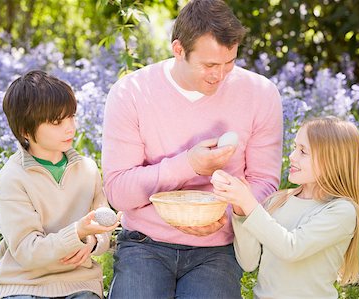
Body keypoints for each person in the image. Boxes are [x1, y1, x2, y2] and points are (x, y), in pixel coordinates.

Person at [101, 0, 283, 297]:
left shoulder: (260, 94)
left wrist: (226, 213)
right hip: (145, 241)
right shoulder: (131, 93)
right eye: (209, 65)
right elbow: (118, 192)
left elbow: (265, 182)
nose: (220, 75)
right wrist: (190, 165)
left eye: (230, 63)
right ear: (178, 50)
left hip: (218, 247)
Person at [0, 70, 120, 299]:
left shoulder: (87, 170)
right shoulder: (12, 178)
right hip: (23, 284)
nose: (70, 127)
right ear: (25, 131)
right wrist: (76, 232)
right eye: (57, 122)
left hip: (79, 283)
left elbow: (103, 227)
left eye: (71, 117)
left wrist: (92, 241)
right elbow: (27, 251)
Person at [211, 116, 359, 299]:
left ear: (333, 160)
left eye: (303, 151)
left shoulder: (341, 211)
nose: (292, 156)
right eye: (294, 148)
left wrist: (249, 203)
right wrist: (240, 210)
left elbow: (291, 248)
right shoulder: (280, 200)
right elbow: (249, 262)